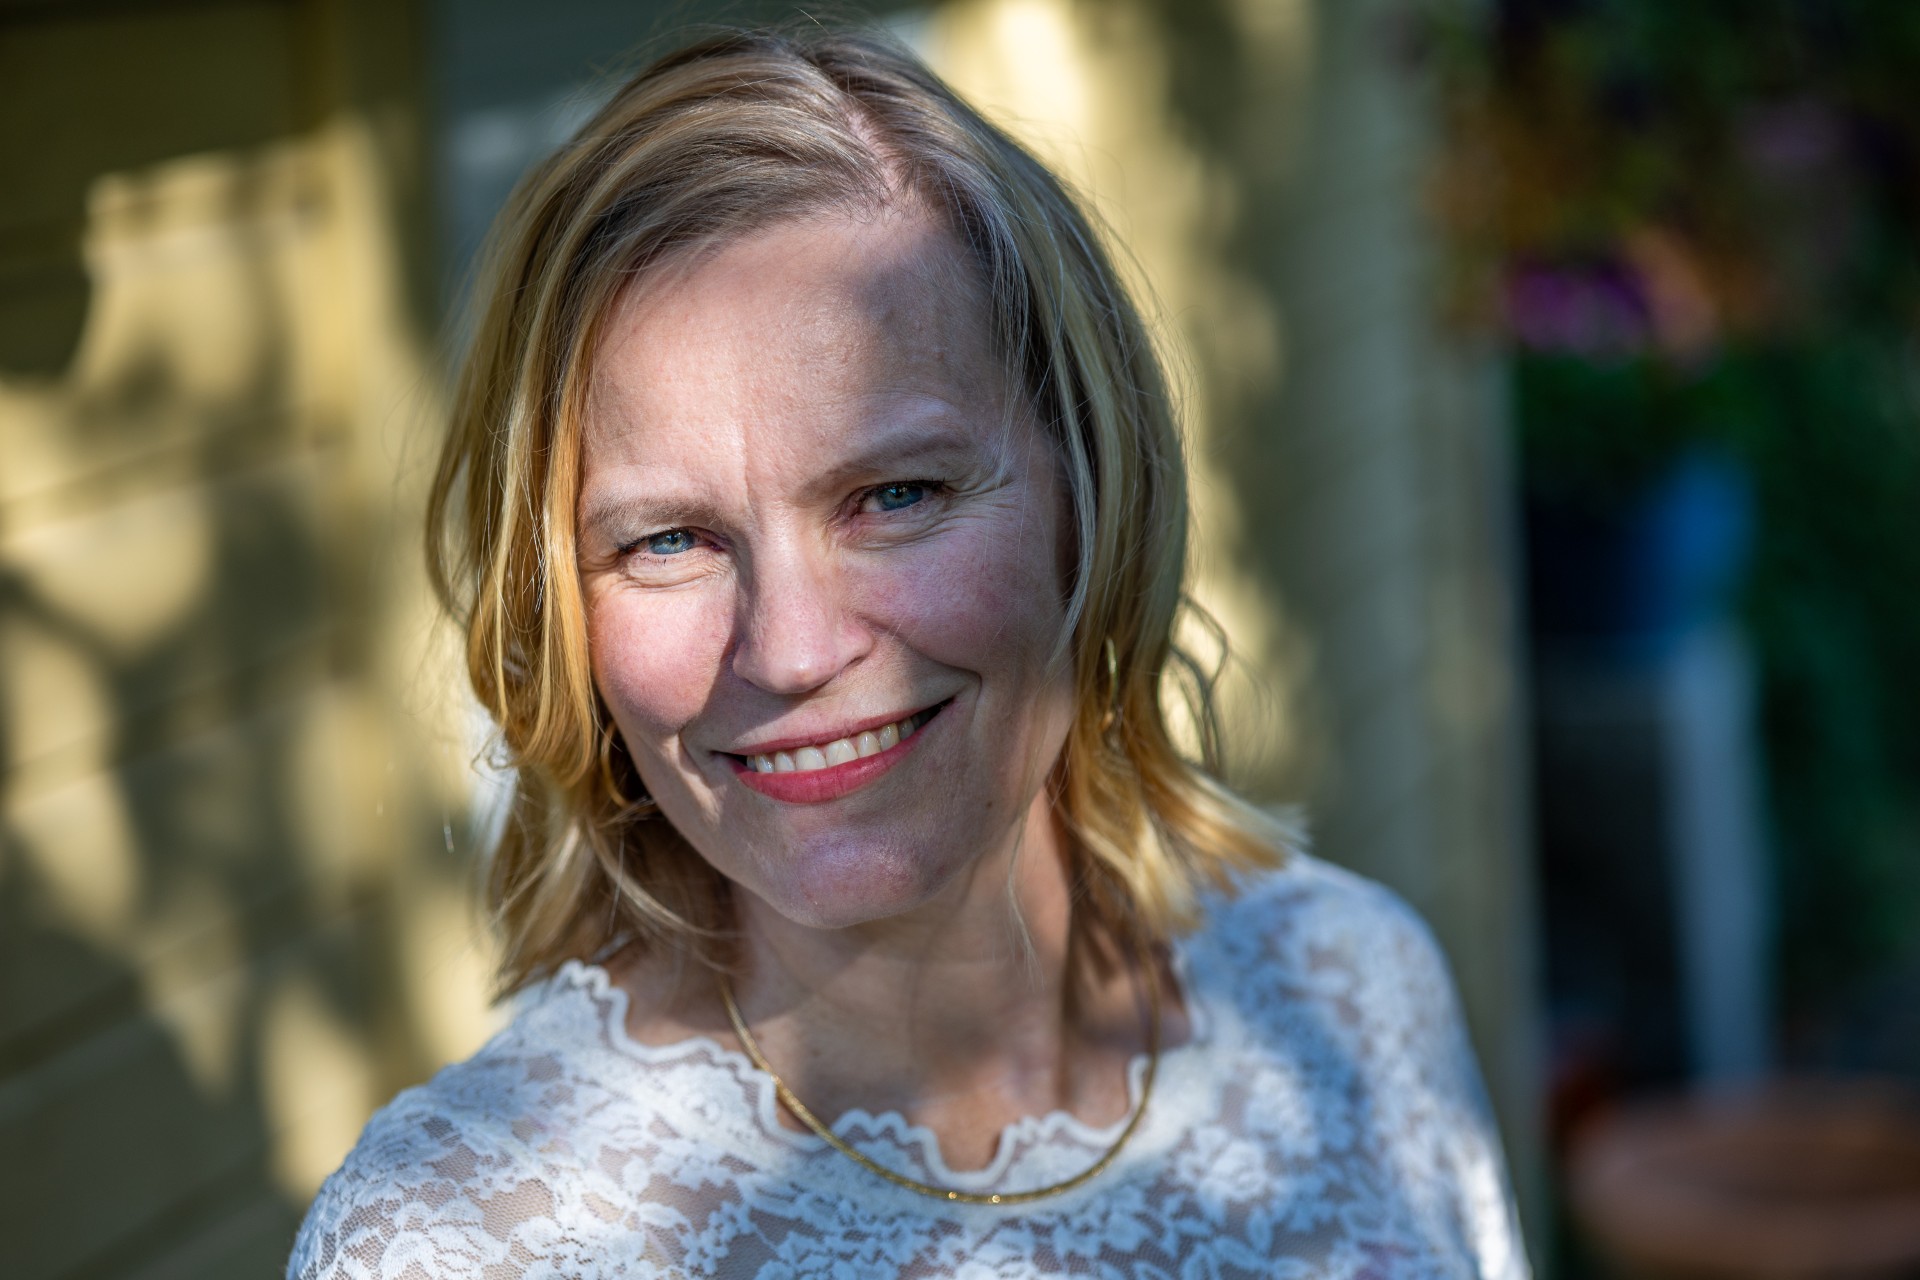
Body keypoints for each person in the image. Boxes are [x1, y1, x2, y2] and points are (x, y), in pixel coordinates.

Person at [288, 25, 1529, 1280]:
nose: (790, 649)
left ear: (1092, 485)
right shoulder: (458, 1241)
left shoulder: (1349, 993)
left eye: (895, 495)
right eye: (668, 539)